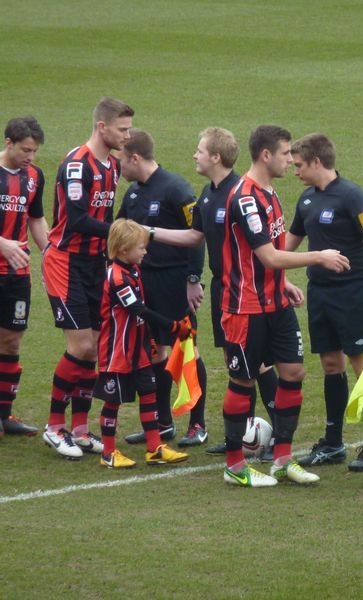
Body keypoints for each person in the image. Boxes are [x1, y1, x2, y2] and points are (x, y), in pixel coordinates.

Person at [219, 124, 349, 488]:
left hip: (275, 303)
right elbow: (269, 257)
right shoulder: (245, 198)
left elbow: (267, 259)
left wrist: (284, 283)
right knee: (242, 381)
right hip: (245, 308)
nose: (291, 159)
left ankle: (282, 459)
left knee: (293, 372)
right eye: (285, 153)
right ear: (265, 155)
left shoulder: (270, 192)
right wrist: (319, 257)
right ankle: (235, 466)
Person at [146, 127, 279, 456]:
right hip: (224, 288)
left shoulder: (240, 192)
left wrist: (281, 280)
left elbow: (267, 244)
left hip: (248, 289)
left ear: (216, 157)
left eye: (200, 150)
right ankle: (243, 432)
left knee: (257, 362)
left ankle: (277, 433)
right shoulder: (207, 193)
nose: (195, 155)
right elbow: (194, 237)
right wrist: (149, 232)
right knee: (236, 363)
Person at [287, 133, 363, 471]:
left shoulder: (352, 195)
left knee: (362, 365)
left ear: (317, 161)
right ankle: (333, 443)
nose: (295, 170)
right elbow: (288, 243)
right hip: (319, 293)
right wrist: (270, 264)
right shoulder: (306, 200)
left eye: (299, 164)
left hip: (351, 293)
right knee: (331, 365)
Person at [42, 96, 134, 459]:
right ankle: (54, 426)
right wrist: (123, 231)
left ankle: (79, 429)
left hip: (95, 264)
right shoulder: (77, 165)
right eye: (122, 129)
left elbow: (104, 218)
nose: (127, 135)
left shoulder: (111, 166)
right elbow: (78, 220)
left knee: (95, 346)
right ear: (102, 127)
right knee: (80, 345)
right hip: (66, 262)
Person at [116, 129, 208, 448]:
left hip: (174, 281)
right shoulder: (132, 194)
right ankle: (162, 423)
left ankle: (198, 424)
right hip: (145, 284)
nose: (119, 166)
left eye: (121, 160)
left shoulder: (175, 188)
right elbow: (119, 232)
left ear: (135, 158)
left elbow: (198, 235)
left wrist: (193, 280)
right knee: (154, 353)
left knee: (187, 351)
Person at [94, 220, 191, 468]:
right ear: (124, 250)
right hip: (117, 351)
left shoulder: (133, 269)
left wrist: (149, 340)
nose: (145, 251)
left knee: (149, 394)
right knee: (113, 400)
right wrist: (173, 327)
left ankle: (154, 447)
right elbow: (138, 309)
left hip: (138, 350)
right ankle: (109, 452)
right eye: (141, 248)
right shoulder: (116, 277)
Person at [0, 117, 49, 437]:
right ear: (9, 143)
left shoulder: (34, 177)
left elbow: (36, 219)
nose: (31, 156)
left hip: (17, 275)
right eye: (25, 150)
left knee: (12, 340)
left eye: (34, 151)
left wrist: (51, 256)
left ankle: (5, 414)